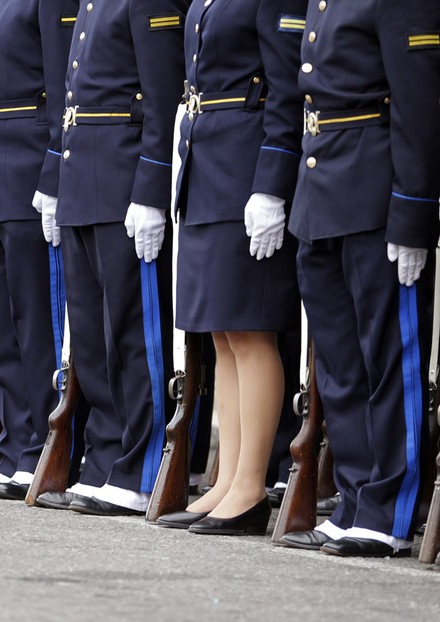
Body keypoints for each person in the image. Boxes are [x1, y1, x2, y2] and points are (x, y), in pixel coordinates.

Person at [280, 0, 440, 557]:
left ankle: (389, 509)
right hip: (320, 190)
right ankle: (354, 497)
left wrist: (414, 211)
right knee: (341, 365)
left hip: (375, 193)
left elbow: (420, 100)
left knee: (389, 359)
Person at [156, 0, 305, 534]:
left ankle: (250, 487)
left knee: (250, 330)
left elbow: (286, 89)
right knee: (221, 334)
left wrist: (272, 184)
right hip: (206, 168)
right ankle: (228, 479)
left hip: (245, 171)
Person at [34, 0, 184, 516]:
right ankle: (103, 458)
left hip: (123, 179)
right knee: (92, 339)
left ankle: (140, 468)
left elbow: (162, 98)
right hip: (83, 176)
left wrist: (151, 188)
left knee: (131, 331)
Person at [0, 0, 74, 500]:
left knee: (34, 321)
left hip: (24, 168)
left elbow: (61, 86)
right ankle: (15, 444)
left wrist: (53, 171)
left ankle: (43, 445)